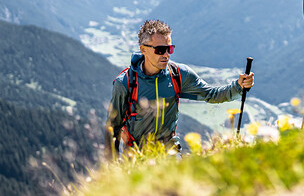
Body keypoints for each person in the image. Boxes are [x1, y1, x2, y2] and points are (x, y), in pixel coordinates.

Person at [105, 19, 254, 158]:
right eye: (160, 50)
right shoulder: (125, 83)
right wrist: (111, 162)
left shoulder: (178, 74)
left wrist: (238, 86)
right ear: (143, 49)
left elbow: (211, 94)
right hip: (135, 155)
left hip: (169, 152)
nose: (166, 55)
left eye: (169, 49)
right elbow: (113, 126)